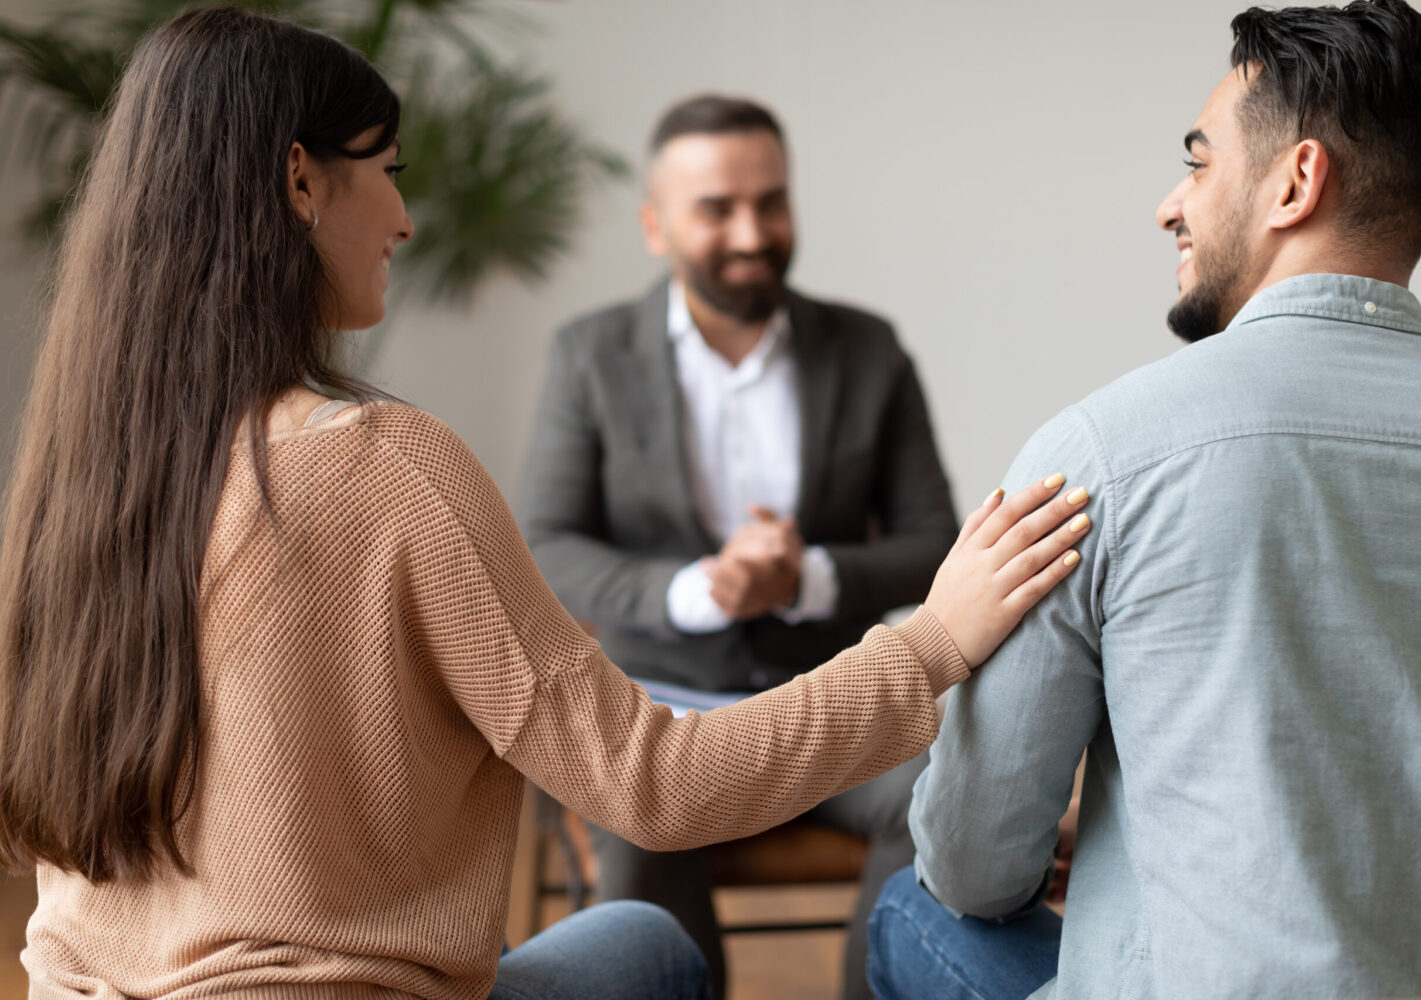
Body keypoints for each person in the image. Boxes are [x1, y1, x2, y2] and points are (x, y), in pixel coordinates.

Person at [0, 8, 1095, 999]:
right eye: (387, 166)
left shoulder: (77, 478)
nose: (406, 216)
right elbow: (653, 784)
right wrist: (937, 643)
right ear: (299, 181)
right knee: (646, 942)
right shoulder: (391, 461)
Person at [865, 1, 1421, 999]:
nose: (1172, 203)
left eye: (1200, 163)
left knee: (913, 902)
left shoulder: (1103, 455)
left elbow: (978, 863)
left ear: (1297, 181)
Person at [520, 94, 956, 1000]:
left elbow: (935, 545)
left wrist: (811, 576)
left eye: (771, 201)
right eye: (717, 208)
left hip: (833, 708)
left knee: (948, 793)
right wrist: (698, 592)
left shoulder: (870, 350)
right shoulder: (590, 355)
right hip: (659, 718)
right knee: (641, 835)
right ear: (655, 225)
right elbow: (546, 543)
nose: (752, 232)